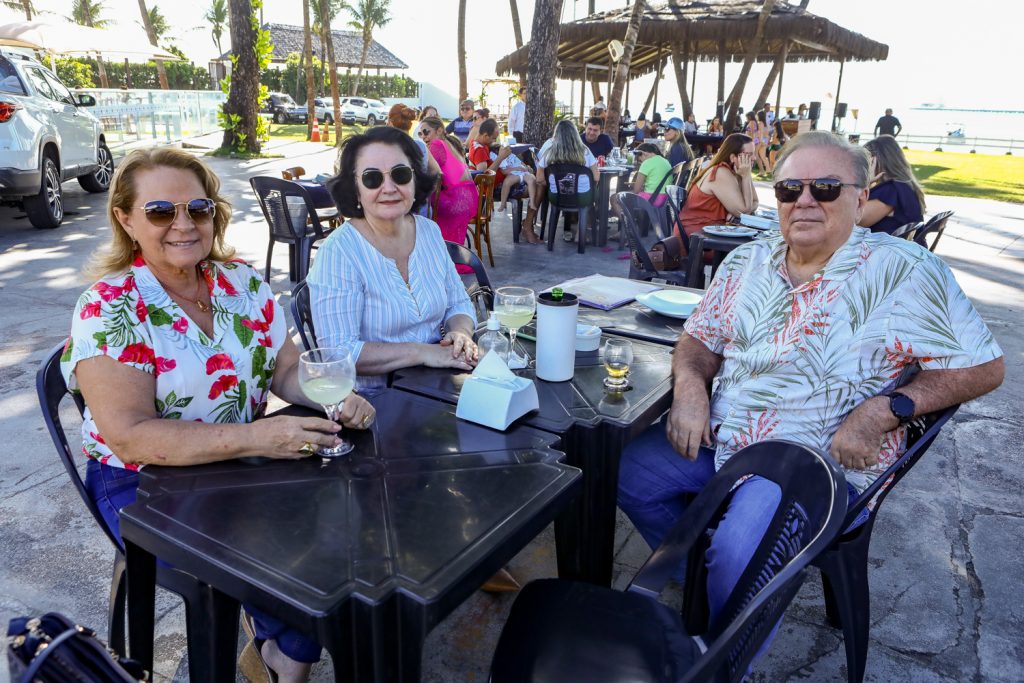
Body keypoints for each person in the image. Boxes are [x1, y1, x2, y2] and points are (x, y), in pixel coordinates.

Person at [619, 131, 1004, 669]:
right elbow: (699, 337)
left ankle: (725, 660)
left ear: (860, 193)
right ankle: (724, 597)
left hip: (816, 460)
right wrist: (689, 388)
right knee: (623, 473)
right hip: (725, 436)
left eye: (824, 187)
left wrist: (885, 410)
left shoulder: (907, 272)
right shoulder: (744, 264)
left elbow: (983, 366)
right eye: (788, 189)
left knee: (738, 550)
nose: (804, 200)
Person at [61, 148, 378, 683]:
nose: (183, 224)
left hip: (241, 463)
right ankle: (288, 659)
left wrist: (331, 396)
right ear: (126, 219)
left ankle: (283, 653)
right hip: (142, 483)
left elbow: (284, 371)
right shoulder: (108, 308)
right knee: (297, 562)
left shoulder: (243, 284)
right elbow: (133, 439)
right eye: (161, 211)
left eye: (198, 209)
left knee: (346, 531)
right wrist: (258, 437)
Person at [309, 126, 478, 394]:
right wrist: (423, 353)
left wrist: (460, 334)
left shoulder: (429, 231)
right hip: (376, 404)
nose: (389, 188)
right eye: (372, 178)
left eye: (400, 174)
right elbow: (338, 352)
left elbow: (458, 302)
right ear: (355, 188)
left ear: (414, 180)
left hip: (440, 388)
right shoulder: (339, 251)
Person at [469, 119, 541, 243]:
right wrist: (501, 157)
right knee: (539, 186)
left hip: (500, 183)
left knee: (534, 180)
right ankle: (527, 226)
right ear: (485, 135)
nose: (494, 141)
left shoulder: (481, 145)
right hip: (494, 189)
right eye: (493, 138)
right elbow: (483, 176)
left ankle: (527, 224)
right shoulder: (479, 150)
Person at [676, 133, 758, 240]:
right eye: (749, 154)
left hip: (711, 232)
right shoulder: (721, 172)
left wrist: (746, 175)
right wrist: (746, 176)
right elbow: (744, 213)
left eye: (754, 154)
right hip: (696, 237)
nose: (754, 158)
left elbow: (755, 201)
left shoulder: (735, 172)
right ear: (733, 157)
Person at [417, 116, 479, 252]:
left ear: (439, 130)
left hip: (456, 201)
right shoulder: (451, 143)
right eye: (420, 133)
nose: (423, 136)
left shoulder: (437, 145)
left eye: (426, 132)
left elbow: (425, 172)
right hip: (468, 198)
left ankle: (423, 250)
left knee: (417, 204)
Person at [536, 119, 600, 243]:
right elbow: (596, 177)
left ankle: (556, 239)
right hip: (583, 197)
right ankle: (581, 234)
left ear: (556, 134)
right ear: (575, 133)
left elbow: (539, 179)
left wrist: (553, 184)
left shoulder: (549, 153)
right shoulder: (585, 151)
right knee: (591, 195)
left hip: (557, 197)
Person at [860, 134, 926, 234]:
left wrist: (862, 183)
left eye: (865, 161)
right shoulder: (903, 187)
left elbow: (854, 222)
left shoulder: (891, 191)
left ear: (875, 161)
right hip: (900, 247)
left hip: (885, 248)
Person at [632, 142, 673, 208]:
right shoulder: (665, 161)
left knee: (615, 198)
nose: (641, 162)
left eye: (640, 160)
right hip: (666, 198)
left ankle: (627, 218)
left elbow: (636, 190)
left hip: (652, 199)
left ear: (643, 154)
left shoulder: (646, 163)